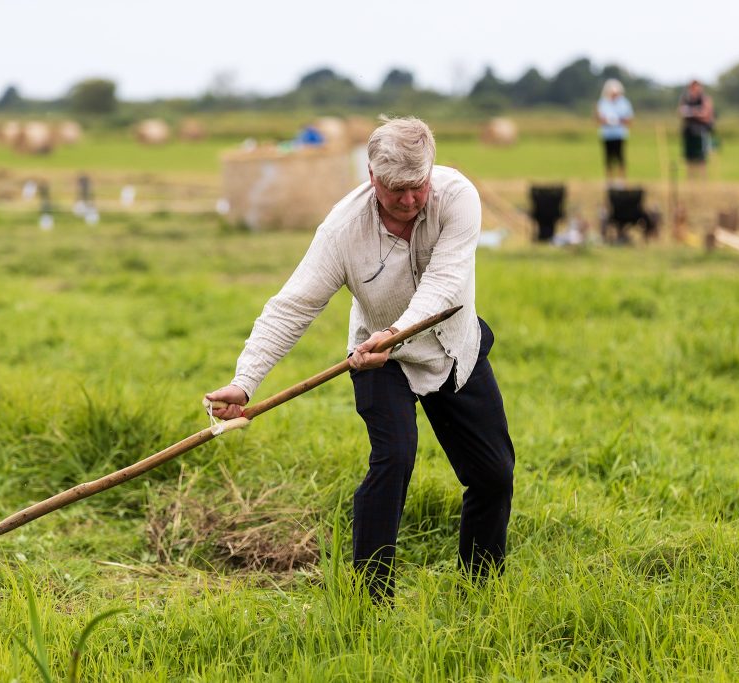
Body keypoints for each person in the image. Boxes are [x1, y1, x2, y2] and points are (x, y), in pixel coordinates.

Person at [206, 116, 515, 602]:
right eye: (396, 189)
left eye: (417, 186)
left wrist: (399, 331)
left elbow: (445, 283)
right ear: (372, 177)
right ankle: (371, 600)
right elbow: (292, 306)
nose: (409, 200)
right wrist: (244, 382)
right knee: (393, 460)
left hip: (453, 344)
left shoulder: (458, 198)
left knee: (493, 474)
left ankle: (482, 591)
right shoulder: (342, 231)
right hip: (378, 358)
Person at [596, 79, 633, 184]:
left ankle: (621, 181)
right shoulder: (603, 102)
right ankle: (609, 181)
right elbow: (598, 118)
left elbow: (629, 119)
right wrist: (607, 121)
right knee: (608, 159)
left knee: (620, 158)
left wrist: (618, 121)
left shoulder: (624, 103)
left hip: (619, 134)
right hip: (607, 134)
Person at [678, 80, 715, 178]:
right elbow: (681, 112)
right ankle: (690, 179)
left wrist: (694, 113)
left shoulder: (704, 99)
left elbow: (706, 114)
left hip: (701, 131)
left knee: (701, 157)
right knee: (689, 157)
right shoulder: (686, 99)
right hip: (688, 131)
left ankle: (703, 180)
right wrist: (697, 112)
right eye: (694, 88)